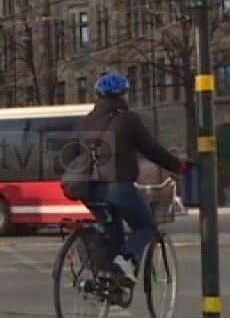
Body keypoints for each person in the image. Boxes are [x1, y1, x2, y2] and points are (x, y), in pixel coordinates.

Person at [71, 72, 189, 282]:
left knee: (112, 233)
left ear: (99, 95)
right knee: (145, 226)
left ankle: (106, 280)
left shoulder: (84, 122)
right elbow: (152, 149)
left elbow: (71, 154)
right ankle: (124, 262)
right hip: (117, 186)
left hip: (88, 190)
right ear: (123, 94)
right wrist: (178, 166)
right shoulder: (128, 120)